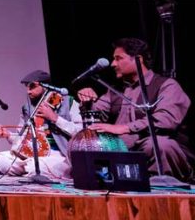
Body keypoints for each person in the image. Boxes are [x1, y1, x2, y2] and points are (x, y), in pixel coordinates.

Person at [76, 37, 194, 182]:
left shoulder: (166, 85)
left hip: (155, 146)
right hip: (122, 146)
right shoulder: (115, 90)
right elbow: (98, 112)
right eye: (113, 59)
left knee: (159, 145)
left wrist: (125, 128)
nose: (113, 64)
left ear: (138, 59)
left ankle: (161, 189)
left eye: (118, 58)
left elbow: (166, 119)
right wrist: (87, 100)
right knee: (88, 145)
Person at [0, 70, 83, 179]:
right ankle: (31, 169)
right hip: (31, 153)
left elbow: (81, 132)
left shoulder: (68, 102)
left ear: (45, 86)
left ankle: (30, 169)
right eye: (27, 87)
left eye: (32, 87)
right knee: (2, 160)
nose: (28, 91)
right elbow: (22, 138)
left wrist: (55, 118)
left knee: (35, 166)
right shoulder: (27, 108)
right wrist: (8, 135)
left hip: (58, 155)